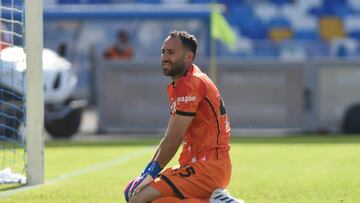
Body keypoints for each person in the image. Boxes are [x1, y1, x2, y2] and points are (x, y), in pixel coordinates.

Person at [124, 31, 243, 203]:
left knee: (138, 199)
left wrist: (149, 173)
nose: (165, 57)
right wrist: (147, 172)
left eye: (171, 53)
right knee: (139, 195)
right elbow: (169, 136)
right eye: (163, 52)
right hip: (197, 165)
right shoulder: (180, 84)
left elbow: (174, 137)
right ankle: (212, 199)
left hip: (207, 167)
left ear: (188, 57)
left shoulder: (191, 83)